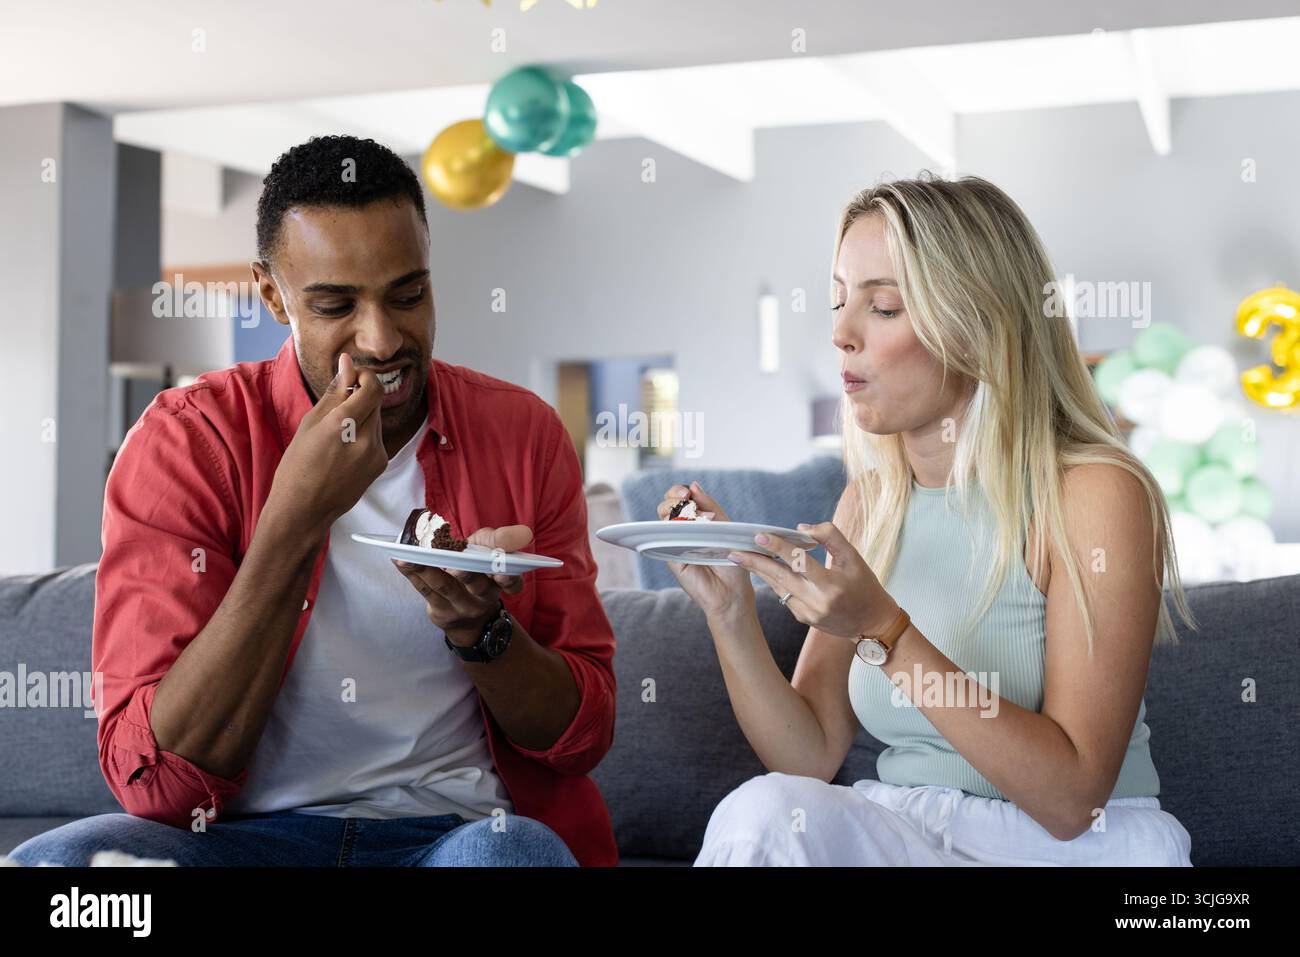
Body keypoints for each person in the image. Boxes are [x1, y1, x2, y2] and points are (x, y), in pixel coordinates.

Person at [11, 135, 617, 868]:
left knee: (517, 857)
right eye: (335, 304)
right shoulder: (186, 442)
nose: (383, 338)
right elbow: (160, 785)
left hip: (456, 833)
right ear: (272, 295)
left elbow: (583, 735)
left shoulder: (523, 435)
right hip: (240, 841)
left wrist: (482, 628)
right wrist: (294, 518)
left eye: (409, 295)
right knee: (65, 869)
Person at [661, 174, 1197, 867]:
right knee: (760, 811)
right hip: (913, 833)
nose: (840, 332)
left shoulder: (1093, 491)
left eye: (882, 306)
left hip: (1070, 848)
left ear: (978, 323)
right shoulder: (871, 503)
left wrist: (886, 631)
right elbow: (809, 751)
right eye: (838, 300)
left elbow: (1072, 799)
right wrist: (729, 612)